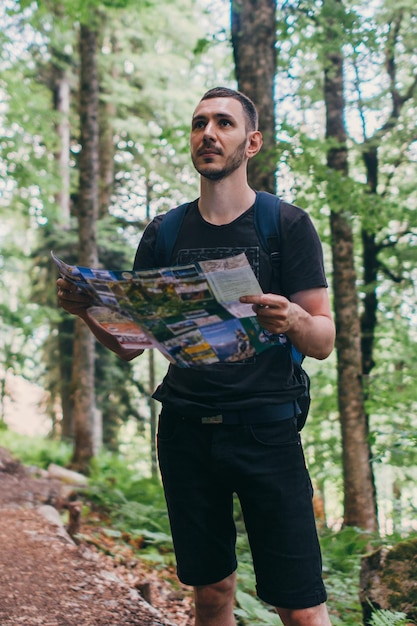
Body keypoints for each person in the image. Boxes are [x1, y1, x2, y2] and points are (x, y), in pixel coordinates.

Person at [57, 86, 335, 626]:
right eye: (199, 123)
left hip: (268, 433)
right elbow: (131, 345)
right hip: (186, 433)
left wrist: (295, 319)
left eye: (224, 123)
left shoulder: (288, 225)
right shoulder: (163, 232)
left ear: (251, 142)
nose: (208, 133)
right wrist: (87, 310)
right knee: (211, 594)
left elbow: (322, 341)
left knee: (300, 608)